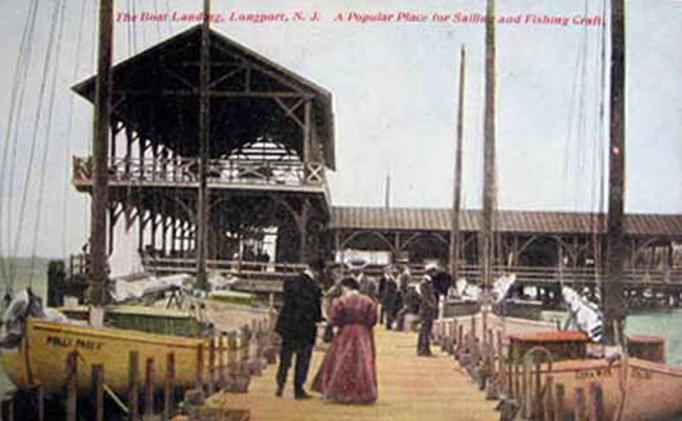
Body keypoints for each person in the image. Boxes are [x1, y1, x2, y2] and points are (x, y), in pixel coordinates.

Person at [314, 277, 378, 404]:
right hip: (363, 333)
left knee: (341, 361)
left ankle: (339, 391)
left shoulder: (341, 301)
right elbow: (373, 319)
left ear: (345, 287)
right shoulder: (368, 301)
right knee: (363, 362)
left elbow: (334, 318)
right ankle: (364, 393)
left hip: (346, 332)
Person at [275, 262, 323, 399]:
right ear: (318, 272)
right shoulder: (315, 287)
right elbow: (315, 310)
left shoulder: (290, 281)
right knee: (303, 359)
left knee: (285, 358)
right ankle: (298, 389)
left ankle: (280, 384)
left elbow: (286, 302)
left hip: (288, 326)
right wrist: (319, 319)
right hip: (305, 328)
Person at [417, 263, 438, 356]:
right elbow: (425, 297)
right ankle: (423, 349)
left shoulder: (427, 282)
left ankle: (423, 349)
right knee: (425, 329)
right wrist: (432, 305)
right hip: (426, 310)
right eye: (434, 271)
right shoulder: (425, 283)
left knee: (426, 329)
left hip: (427, 309)